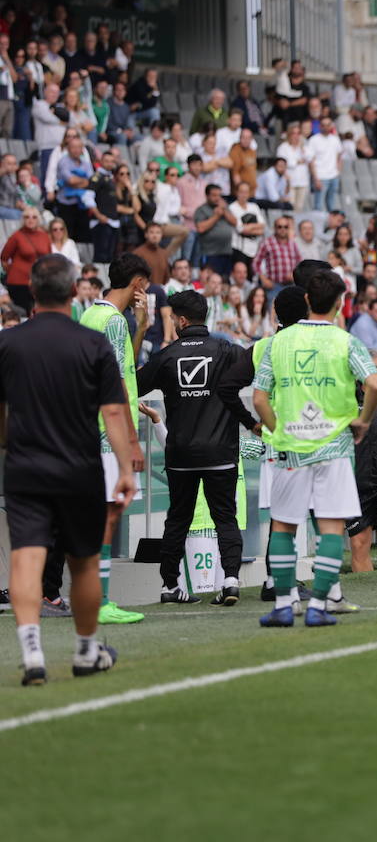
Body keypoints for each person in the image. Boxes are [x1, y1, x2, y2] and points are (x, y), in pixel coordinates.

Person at [0, 255, 135, 685]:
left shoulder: (8, 343)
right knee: (84, 563)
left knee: (25, 559)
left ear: (33, 293)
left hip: (25, 465)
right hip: (79, 467)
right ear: (76, 290)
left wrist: (7, 441)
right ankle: (85, 651)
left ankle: (33, 654)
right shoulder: (93, 344)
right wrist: (126, 469)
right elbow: (114, 412)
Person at [252, 271, 377, 627]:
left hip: (290, 449)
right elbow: (374, 382)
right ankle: (319, 606)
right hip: (333, 446)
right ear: (340, 304)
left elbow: (259, 399)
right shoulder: (345, 341)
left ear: (307, 300)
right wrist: (364, 420)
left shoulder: (279, 341)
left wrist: (279, 430)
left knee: (283, 527)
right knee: (330, 528)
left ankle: (282, 604)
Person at [136, 289, 258, 605]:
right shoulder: (228, 351)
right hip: (221, 452)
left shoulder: (166, 356)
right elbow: (258, 364)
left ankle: (169, 586)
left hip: (182, 456)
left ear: (182, 319)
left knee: (178, 519)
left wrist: (137, 332)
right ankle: (231, 581)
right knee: (225, 517)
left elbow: (132, 385)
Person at [77, 253, 152, 624]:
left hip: (88, 428)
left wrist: (141, 327)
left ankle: (91, 597)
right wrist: (132, 441)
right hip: (109, 433)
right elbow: (118, 380)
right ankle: (100, 601)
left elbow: (123, 365)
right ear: (138, 284)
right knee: (106, 518)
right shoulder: (112, 321)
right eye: (147, 285)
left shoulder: (93, 315)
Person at [1, 206, 51, 312]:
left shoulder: (44, 236)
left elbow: (48, 258)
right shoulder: (17, 236)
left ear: (38, 219)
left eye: (34, 217)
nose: (30, 220)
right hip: (19, 283)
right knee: (22, 313)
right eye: (27, 217)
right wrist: (13, 272)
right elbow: (4, 258)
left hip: (39, 281)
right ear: (23, 219)